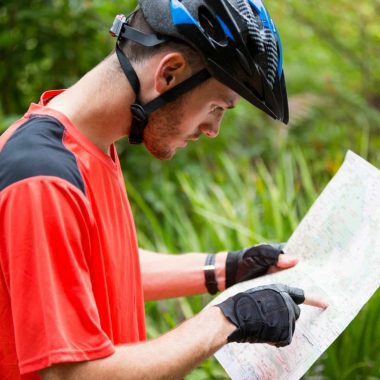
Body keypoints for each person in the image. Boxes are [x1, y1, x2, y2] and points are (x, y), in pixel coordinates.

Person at [0, 1, 326, 379]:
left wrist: (230, 268)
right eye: (218, 107)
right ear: (169, 73)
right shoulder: (43, 178)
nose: (212, 129)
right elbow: (73, 373)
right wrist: (227, 322)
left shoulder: (84, 147)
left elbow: (98, 268)